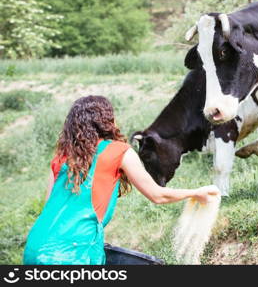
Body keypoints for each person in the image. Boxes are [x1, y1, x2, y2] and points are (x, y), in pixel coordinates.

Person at [23, 95, 219, 265]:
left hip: (35, 246)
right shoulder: (118, 150)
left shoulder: (61, 156)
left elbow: (50, 207)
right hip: (71, 254)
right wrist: (196, 192)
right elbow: (157, 195)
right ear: (107, 120)